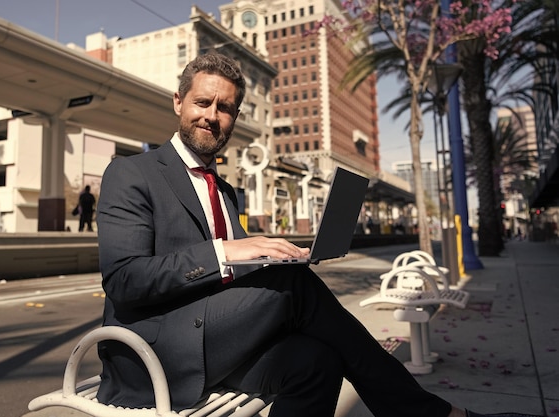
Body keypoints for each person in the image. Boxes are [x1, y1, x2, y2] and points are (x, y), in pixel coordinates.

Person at [95, 53, 541, 417]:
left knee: (316, 362)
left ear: (235, 116)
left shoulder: (225, 190)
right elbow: (125, 281)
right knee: (295, 286)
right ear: (178, 102)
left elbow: (231, 278)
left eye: (225, 108)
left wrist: (267, 257)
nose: (212, 116)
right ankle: (427, 414)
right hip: (153, 355)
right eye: (203, 103)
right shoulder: (131, 173)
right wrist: (226, 251)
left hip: (214, 341)